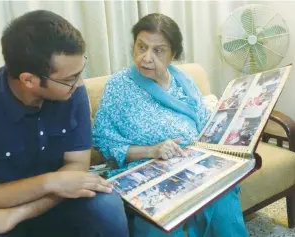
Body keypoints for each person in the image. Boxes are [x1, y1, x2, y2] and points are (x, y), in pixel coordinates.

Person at [0, 10, 128, 237]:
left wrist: (17, 214)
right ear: (28, 80)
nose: (78, 84)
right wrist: (48, 182)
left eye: (79, 73)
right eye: (69, 79)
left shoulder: (71, 94)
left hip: (52, 204)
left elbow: (77, 168)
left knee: (107, 205)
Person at [92, 13, 249, 237]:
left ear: (173, 54)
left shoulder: (183, 81)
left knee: (223, 198)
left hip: (194, 162)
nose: (146, 58)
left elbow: (205, 124)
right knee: (162, 221)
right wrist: (152, 150)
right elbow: (104, 141)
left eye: (158, 50)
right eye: (141, 47)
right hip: (147, 169)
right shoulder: (119, 86)